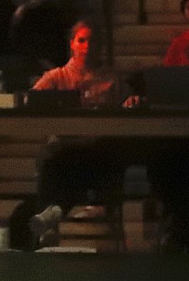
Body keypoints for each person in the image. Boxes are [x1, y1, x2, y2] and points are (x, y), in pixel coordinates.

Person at [25, 20, 128, 247]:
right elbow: (31, 99)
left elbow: (126, 108)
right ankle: (54, 213)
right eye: (82, 40)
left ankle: (52, 215)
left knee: (74, 161)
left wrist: (130, 102)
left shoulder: (113, 78)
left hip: (99, 150)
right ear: (72, 44)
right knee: (55, 157)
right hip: (64, 148)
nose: (87, 46)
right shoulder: (56, 76)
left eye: (92, 40)